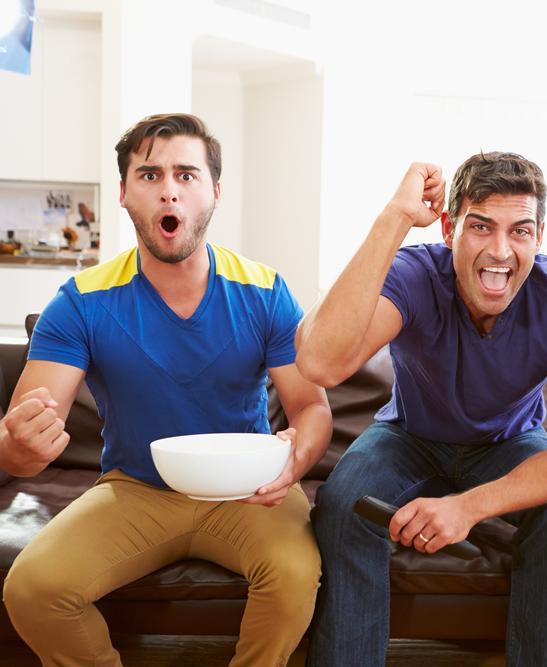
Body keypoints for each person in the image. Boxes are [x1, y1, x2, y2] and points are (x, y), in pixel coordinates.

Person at [0, 113, 333, 667]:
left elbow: (310, 406)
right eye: (150, 175)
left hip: (247, 492)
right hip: (135, 490)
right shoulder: (80, 301)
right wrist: (17, 445)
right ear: (125, 193)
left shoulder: (265, 291)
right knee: (33, 589)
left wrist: (294, 464)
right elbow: (25, 434)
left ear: (214, 193)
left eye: (186, 174)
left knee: (296, 576)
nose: (169, 190)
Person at [296, 152, 547, 666]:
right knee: (343, 502)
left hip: (511, 442)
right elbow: (320, 363)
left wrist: (468, 507)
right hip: (408, 436)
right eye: (481, 227)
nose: (501, 251)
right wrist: (393, 219)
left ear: (540, 236)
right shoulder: (415, 275)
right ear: (448, 228)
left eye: (520, 231)